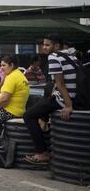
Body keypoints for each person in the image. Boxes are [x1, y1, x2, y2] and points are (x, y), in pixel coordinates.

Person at [23, 34, 78, 165]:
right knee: (43, 104)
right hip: (77, 97)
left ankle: (42, 153)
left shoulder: (54, 57)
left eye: (47, 45)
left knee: (28, 115)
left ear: (57, 46)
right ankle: (43, 121)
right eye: (44, 44)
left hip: (65, 99)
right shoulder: (71, 55)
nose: (44, 47)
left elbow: (60, 84)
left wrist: (68, 105)